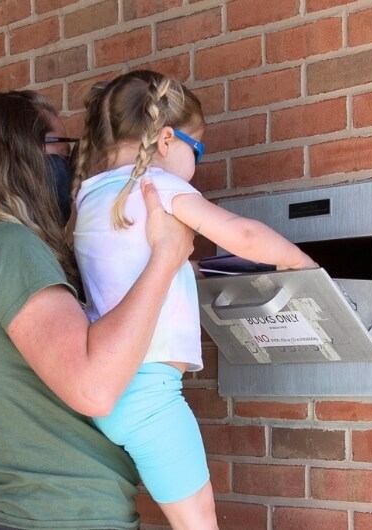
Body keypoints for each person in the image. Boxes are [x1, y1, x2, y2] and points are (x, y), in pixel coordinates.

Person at [0, 89, 195, 530]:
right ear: (26, 155)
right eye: (63, 148)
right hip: (60, 517)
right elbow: (94, 388)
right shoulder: (8, 247)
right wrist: (166, 257)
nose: (74, 163)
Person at [71, 70, 318, 530]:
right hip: (151, 397)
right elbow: (241, 234)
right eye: (197, 150)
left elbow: (126, 268)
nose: (196, 164)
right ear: (165, 140)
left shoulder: (89, 197)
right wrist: (304, 266)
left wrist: (192, 274)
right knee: (200, 523)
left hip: (111, 392)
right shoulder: (159, 188)